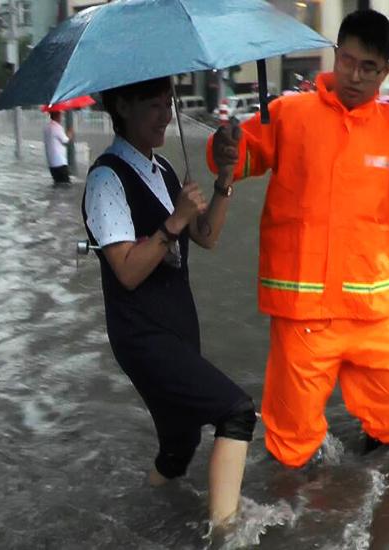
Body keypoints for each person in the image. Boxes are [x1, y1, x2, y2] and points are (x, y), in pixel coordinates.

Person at [208, 9, 389, 469]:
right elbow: (239, 160)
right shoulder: (286, 114)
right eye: (347, 61)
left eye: (368, 68)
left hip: (370, 312)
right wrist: (223, 152)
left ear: (385, 72)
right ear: (336, 55)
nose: (354, 76)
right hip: (301, 314)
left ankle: (368, 492)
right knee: (291, 443)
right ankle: (296, 519)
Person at [82, 77, 254, 527]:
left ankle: (144, 513)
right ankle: (225, 533)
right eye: (154, 105)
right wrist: (174, 220)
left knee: (180, 447)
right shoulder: (106, 179)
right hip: (142, 333)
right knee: (235, 412)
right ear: (122, 106)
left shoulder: (162, 171)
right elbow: (127, 270)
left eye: (168, 103)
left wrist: (224, 179)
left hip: (177, 325)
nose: (165, 115)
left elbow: (208, 236)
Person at [44, 111, 74, 184]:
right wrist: (70, 133)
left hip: (51, 163)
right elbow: (65, 140)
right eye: (60, 114)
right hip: (60, 162)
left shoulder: (46, 127)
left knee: (57, 184)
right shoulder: (57, 127)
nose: (61, 117)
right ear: (57, 115)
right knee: (66, 186)